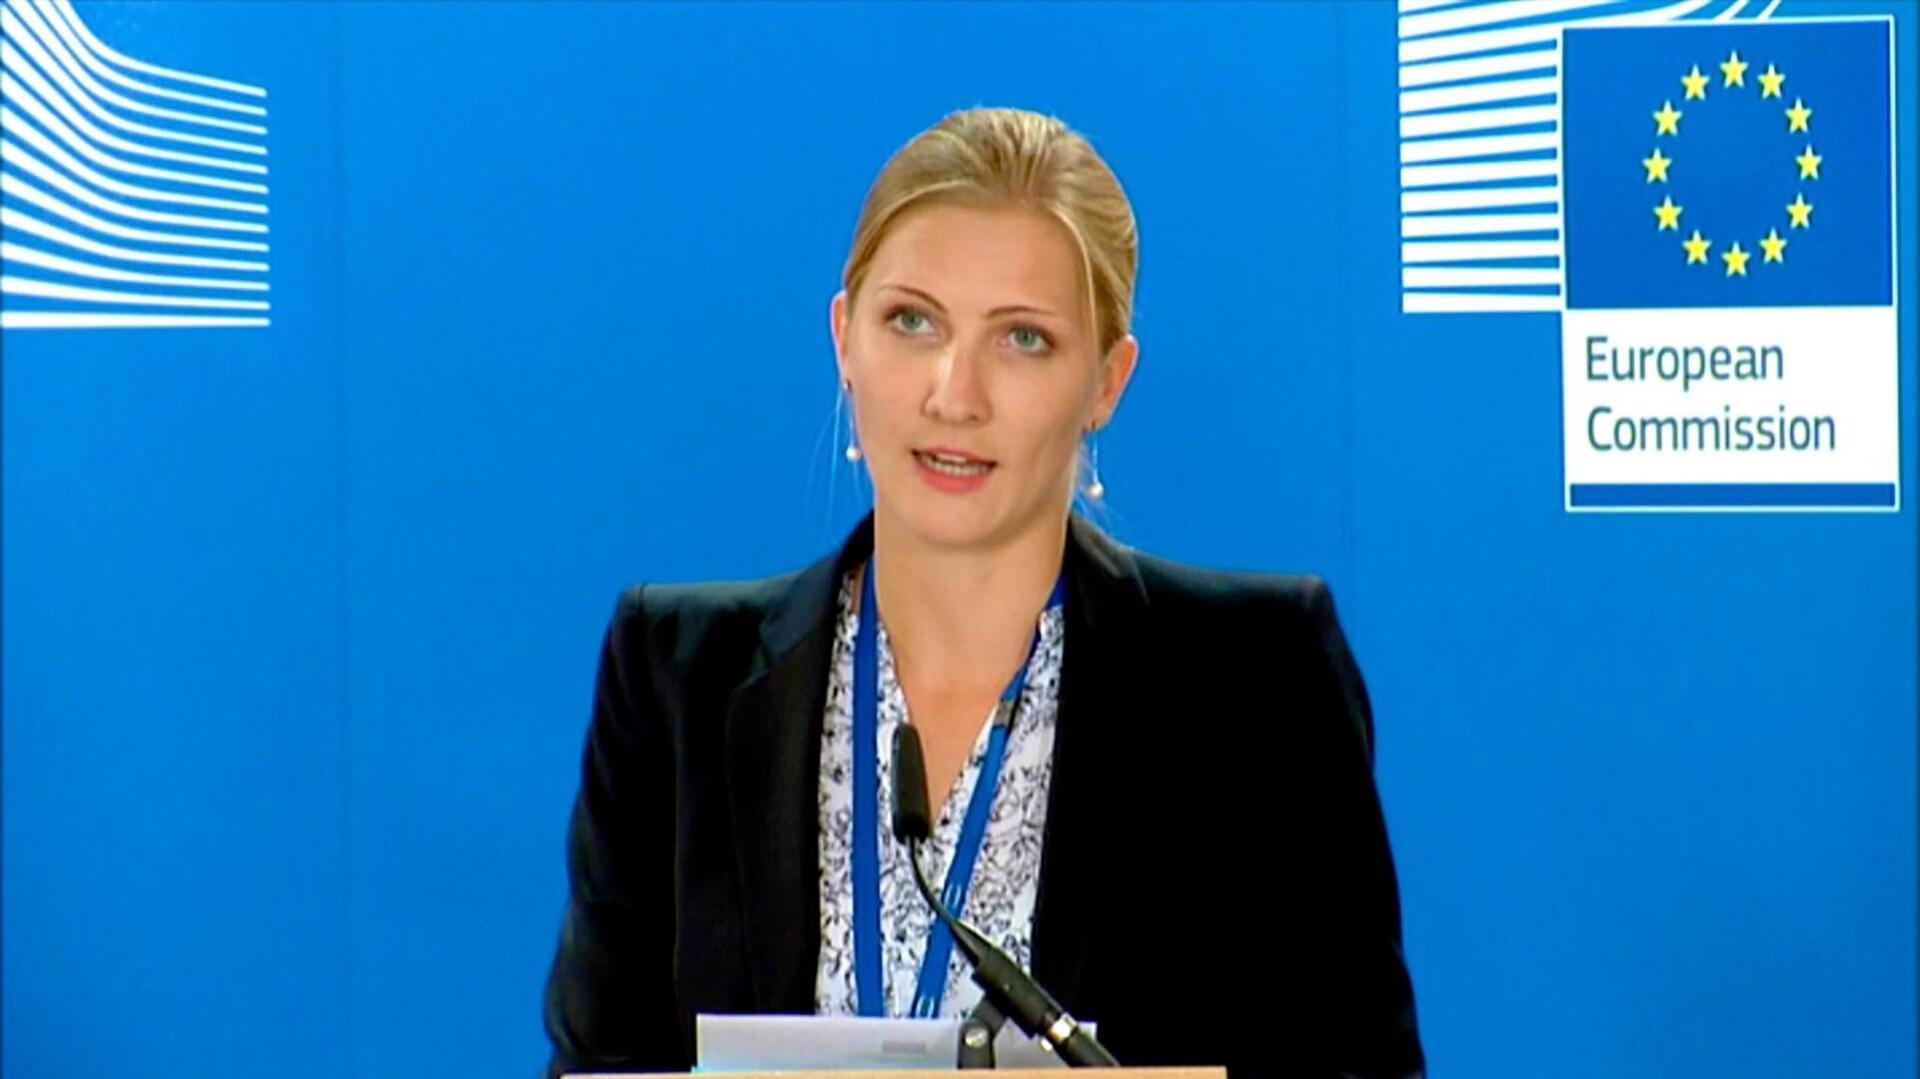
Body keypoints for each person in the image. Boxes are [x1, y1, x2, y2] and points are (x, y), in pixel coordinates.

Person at [542, 107, 1423, 1078]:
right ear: (844, 339)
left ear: (1107, 382)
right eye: (912, 321)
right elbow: (601, 1063)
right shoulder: (676, 674)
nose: (954, 394)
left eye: (1024, 338)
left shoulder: (1260, 676)